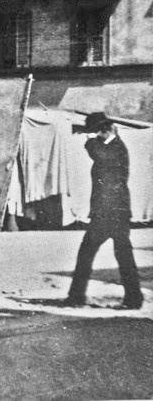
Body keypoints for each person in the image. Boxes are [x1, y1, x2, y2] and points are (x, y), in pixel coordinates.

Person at [65, 112, 143, 309]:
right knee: (121, 255)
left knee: (92, 253)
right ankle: (133, 298)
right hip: (111, 212)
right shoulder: (112, 146)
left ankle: (76, 297)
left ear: (106, 130)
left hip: (112, 213)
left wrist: (90, 139)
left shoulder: (116, 148)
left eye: (97, 131)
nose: (95, 136)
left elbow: (99, 155)